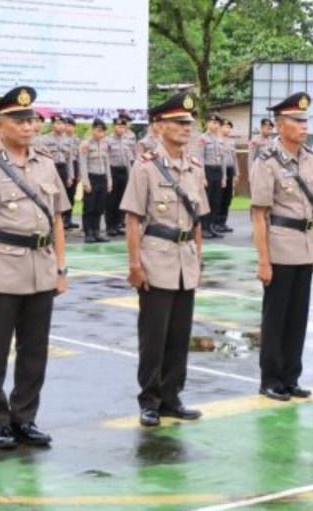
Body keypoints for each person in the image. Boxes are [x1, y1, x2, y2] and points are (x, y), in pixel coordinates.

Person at [0, 85, 70, 450]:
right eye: (19, 120)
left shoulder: (47, 165)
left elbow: (57, 219)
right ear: (0, 124)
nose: (28, 126)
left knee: (34, 350)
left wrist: (61, 268)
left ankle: (25, 418)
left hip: (42, 267)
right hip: (3, 269)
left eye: (31, 119)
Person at [120, 90, 208, 428]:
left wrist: (198, 258)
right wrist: (134, 265)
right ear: (159, 127)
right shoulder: (145, 169)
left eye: (188, 122)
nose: (186, 128)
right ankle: (150, 400)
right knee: (154, 336)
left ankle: (172, 396)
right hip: (156, 257)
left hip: (185, 259)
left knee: (179, 334)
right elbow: (132, 220)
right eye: (178, 122)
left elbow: (198, 220)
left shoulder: (194, 168)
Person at [250, 91, 313, 402]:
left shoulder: (310, 159)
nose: (304, 126)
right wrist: (264, 260)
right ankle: (271, 379)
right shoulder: (267, 161)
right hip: (279, 246)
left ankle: (291, 376)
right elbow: (259, 215)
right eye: (297, 120)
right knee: (276, 318)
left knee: (298, 317)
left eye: (305, 120)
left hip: (304, 247)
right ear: (280, 125)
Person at [79, 118, 111, 243]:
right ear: (93, 130)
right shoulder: (85, 144)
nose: (100, 134)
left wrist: (109, 181)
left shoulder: (104, 144)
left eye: (102, 131)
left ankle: (97, 232)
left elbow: (107, 164)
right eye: (98, 130)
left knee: (99, 207)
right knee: (89, 207)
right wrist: (86, 183)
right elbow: (83, 164)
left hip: (102, 178)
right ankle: (88, 233)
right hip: (91, 178)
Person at [105, 115, 136, 236]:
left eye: (123, 127)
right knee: (111, 200)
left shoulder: (128, 140)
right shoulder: (107, 140)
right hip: (112, 170)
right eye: (119, 127)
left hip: (125, 170)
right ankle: (110, 225)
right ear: (113, 127)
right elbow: (106, 159)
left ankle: (118, 224)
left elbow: (131, 157)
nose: (121, 129)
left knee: (122, 199)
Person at [197, 113, 226, 240]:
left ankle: (212, 226)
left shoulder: (220, 139)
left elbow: (223, 159)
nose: (215, 125)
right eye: (213, 122)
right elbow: (200, 158)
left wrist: (224, 176)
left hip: (218, 170)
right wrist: (202, 177)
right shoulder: (203, 138)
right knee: (206, 200)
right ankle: (204, 227)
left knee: (216, 200)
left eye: (217, 123)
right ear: (208, 123)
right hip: (207, 170)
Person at [219, 119, 237, 232]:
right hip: (221, 170)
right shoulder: (218, 141)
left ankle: (223, 222)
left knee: (228, 197)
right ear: (220, 128)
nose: (228, 129)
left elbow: (234, 158)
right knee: (219, 197)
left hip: (230, 170)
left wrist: (237, 173)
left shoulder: (231, 141)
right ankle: (215, 222)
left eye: (229, 127)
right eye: (225, 126)